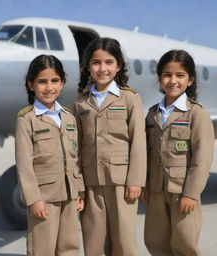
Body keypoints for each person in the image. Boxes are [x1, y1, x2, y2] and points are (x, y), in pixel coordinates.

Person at [74, 37, 147, 256]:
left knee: (124, 242)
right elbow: (75, 148)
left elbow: (138, 142)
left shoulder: (129, 98)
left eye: (109, 62)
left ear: (118, 67)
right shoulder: (80, 104)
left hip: (122, 182)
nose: (102, 68)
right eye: (96, 62)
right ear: (88, 67)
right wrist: (79, 187)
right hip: (91, 182)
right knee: (94, 241)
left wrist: (136, 180)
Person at [143, 50, 214, 256]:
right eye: (167, 75)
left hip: (182, 192)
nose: (173, 81)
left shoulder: (196, 114)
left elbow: (202, 159)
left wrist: (191, 194)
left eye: (180, 76)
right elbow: (147, 153)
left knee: (184, 244)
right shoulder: (152, 114)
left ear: (190, 80)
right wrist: (146, 185)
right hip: (156, 191)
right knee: (155, 242)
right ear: (159, 79)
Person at [15, 54, 85, 256]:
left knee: (69, 247)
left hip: (70, 195)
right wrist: (34, 199)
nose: (49, 87)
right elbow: (24, 164)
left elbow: (75, 157)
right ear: (30, 85)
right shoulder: (27, 119)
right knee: (41, 248)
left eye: (55, 81)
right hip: (44, 197)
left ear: (62, 83)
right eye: (42, 81)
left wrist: (79, 191)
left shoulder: (69, 117)